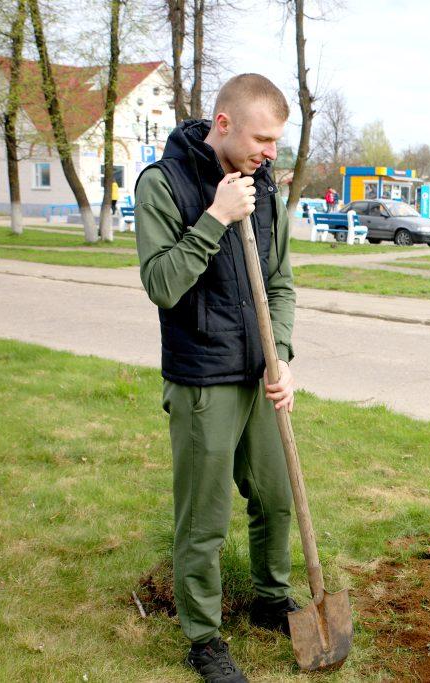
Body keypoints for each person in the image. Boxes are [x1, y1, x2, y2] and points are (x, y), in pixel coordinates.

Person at [135, 73, 298, 683]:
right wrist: (214, 219)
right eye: (263, 139)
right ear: (223, 124)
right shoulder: (164, 184)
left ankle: (271, 600)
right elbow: (162, 285)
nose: (271, 153)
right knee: (204, 519)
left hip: (260, 376)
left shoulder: (265, 190)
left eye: (277, 141)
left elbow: (279, 283)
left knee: (276, 498)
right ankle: (203, 637)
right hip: (202, 377)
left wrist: (280, 352)